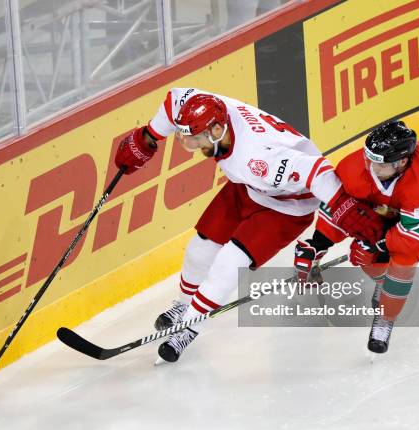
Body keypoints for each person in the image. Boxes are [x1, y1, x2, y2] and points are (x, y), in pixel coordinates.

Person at [114, 87, 385, 362]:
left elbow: (318, 171)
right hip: (248, 188)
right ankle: (182, 307)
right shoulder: (210, 112)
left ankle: (189, 328)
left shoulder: (259, 154)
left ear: (218, 129)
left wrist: (346, 211)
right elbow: (175, 99)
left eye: (196, 140)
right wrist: (149, 135)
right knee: (199, 250)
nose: (194, 147)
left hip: (286, 208)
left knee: (228, 264)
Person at [293, 121, 419, 354]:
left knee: (402, 263)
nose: (368, 165)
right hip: (387, 205)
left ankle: (386, 318)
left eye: (377, 162)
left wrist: (378, 244)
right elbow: (342, 207)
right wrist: (318, 244)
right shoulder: (355, 167)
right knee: (362, 256)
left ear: (401, 162)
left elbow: (410, 242)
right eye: (367, 157)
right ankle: (384, 285)